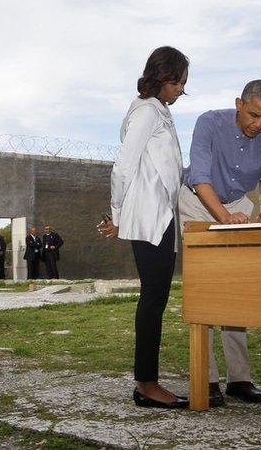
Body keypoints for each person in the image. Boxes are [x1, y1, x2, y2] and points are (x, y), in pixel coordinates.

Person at [179, 79, 261, 407]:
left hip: (237, 207)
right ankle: (207, 380)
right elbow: (200, 177)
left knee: (236, 288)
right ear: (238, 104)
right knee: (204, 289)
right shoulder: (208, 123)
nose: (258, 125)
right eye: (253, 115)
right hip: (197, 201)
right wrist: (222, 218)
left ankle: (239, 379)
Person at [98, 46, 189, 409]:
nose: (181, 89)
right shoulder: (147, 112)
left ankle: (147, 381)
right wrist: (117, 214)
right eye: (178, 81)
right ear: (162, 77)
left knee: (157, 297)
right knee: (153, 298)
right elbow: (123, 167)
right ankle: (146, 384)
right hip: (150, 217)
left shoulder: (161, 112)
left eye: (184, 83)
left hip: (163, 216)